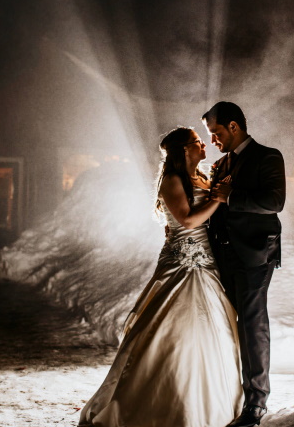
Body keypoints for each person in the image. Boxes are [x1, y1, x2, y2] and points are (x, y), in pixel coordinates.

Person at [79, 127, 242, 427]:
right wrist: (219, 198)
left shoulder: (203, 178)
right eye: (196, 141)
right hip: (181, 264)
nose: (203, 144)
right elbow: (188, 219)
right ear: (183, 150)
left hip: (208, 263)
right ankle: (158, 402)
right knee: (171, 332)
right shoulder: (172, 180)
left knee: (213, 330)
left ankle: (213, 400)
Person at [203, 101, 286, 427]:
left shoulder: (268, 156)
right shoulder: (220, 164)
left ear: (234, 126)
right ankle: (229, 395)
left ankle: (256, 403)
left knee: (252, 324)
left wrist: (230, 197)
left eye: (216, 132)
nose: (213, 140)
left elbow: (274, 201)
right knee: (229, 325)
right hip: (222, 258)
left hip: (255, 255)